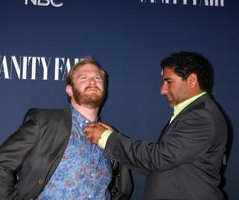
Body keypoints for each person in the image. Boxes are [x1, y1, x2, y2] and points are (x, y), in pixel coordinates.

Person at [83, 51, 228, 200]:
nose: (162, 90)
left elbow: (159, 158)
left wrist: (108, 138)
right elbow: (158, 166)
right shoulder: (193, 113)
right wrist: (113, 139)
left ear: (191, 80)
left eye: (169, 81)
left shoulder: (201, 116)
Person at [0, 57, 133, 200]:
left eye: (97, 78)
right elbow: (0, 165)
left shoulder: (111, 135)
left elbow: (123, 186)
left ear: (104, 89)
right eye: (83, 78)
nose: (92, 82)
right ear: (70, 90)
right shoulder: (44, 122)